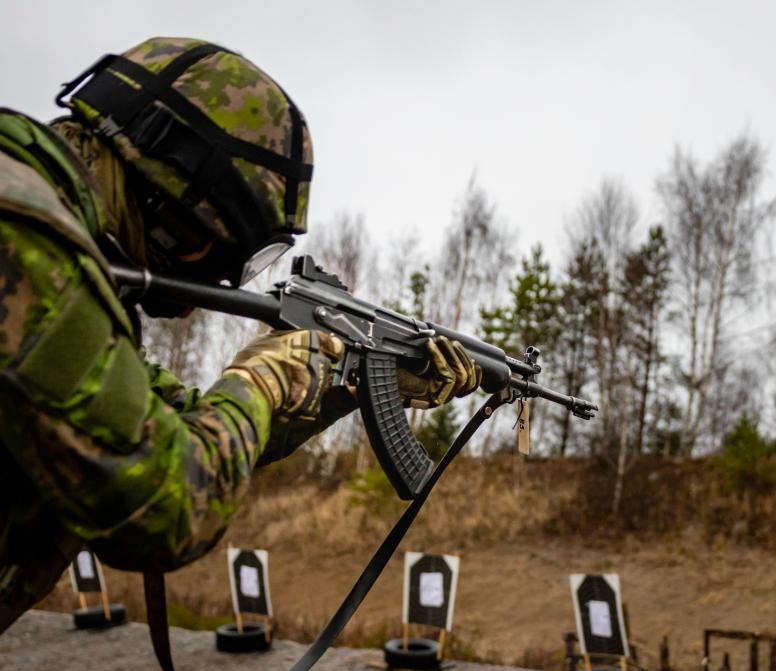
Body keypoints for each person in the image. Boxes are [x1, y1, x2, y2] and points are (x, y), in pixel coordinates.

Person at [0, 37, 480, 634]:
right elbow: (164, 505)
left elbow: (187, 428)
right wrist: (266, 378)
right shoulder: (23, 239)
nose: (227, 275)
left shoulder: (54, 247)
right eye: (235, 249)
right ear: (177, 190)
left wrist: (350, 380)